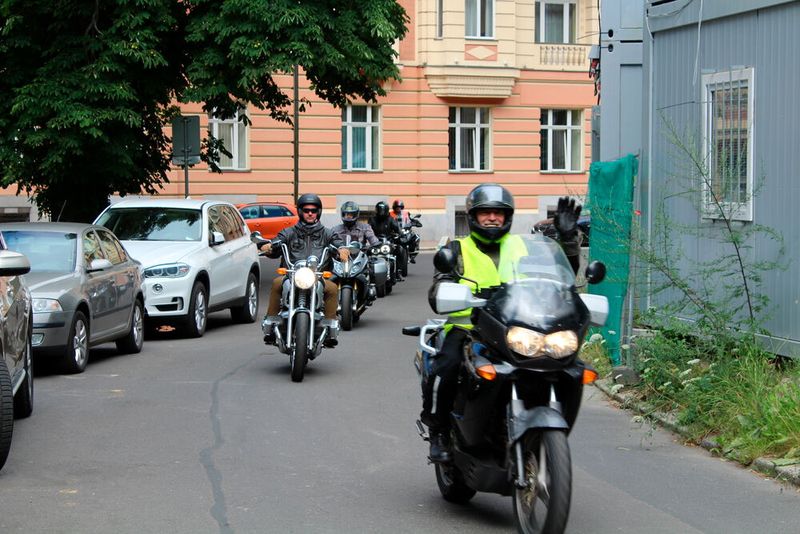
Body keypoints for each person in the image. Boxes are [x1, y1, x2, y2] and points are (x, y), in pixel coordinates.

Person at [420, 185, 581, 463]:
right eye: (486, 213)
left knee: (569, 367)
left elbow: (560, 279)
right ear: (473, 216)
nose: (492, 218)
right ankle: (439, 431)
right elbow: (439, 288)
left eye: (498, 212)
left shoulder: (523, 247)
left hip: (516, 327)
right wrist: (449, 292)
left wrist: (567, 239)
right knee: (446, 367)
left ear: (508, 217)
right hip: (469, 329)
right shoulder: (456, 248)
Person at [260, 193, 350, 347]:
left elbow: (337, 243)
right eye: (306, 210)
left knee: (333, 288)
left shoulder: (327, 233)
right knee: (276, 283)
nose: (310, 213)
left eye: (313, 210)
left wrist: (342, 250)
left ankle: (330, 328)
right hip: (292, 275)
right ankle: (270, 324)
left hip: (318, 276)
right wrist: (269, 246)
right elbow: (277, 243)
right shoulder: (289, 232)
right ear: (300, 211)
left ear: (318, 212)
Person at [369, 201, 407, 280]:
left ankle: (398, 272)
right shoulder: (372, 219)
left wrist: (400, 234)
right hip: (375, 242)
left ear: (386, 210)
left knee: (399, 249)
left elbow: (397, 228)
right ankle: (368, 272)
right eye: (379, 210)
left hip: (388, 241)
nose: (381, 212)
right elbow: (368, 229)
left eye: (383, 210)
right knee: (367, 253)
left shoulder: (390, 219)